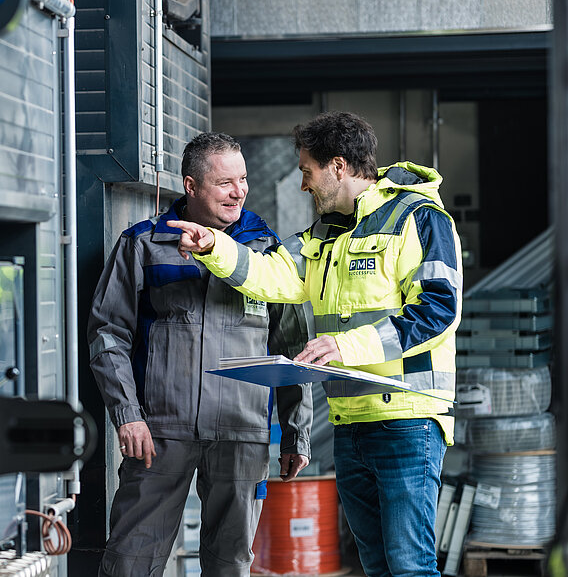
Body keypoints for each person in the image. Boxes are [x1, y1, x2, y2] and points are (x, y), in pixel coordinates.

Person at [170, 112, 461, 577]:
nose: (304, 184)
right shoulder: (325, 234)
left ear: (338, 167)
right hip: (351, 426)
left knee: (409, 566)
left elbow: (437, 312)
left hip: (408, 420)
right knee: (377, 566)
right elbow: (270, 276)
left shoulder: (420, 221)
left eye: (307, 171)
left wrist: (346, 347)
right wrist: (213, 247)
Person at [88, 132, 313, 577]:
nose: (239, 191)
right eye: (224, 182)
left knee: (230, 563)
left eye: (244, 179)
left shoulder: (267, 252)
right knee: (131, 559)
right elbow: (108, 332)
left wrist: (295, 432)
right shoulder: (144, 244)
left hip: (241, 430)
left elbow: (291, 350)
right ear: (190, 187)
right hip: (159, 431)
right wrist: (127, 415)